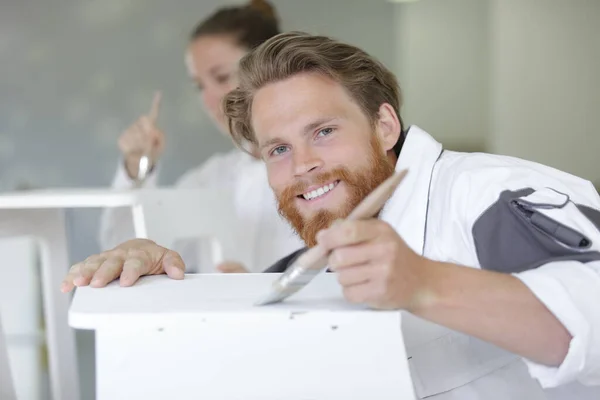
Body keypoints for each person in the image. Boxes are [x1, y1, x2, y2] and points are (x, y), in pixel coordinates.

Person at [64, 32, 600, 398]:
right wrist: (164, 287)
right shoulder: (316, 256)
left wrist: (426, 286)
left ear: (385, 127)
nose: (303, 166)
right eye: (277, 150)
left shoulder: (489, 197)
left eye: (323, 131)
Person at [99, 0, 303, 272]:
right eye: (199, 86)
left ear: (269, 69)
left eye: (221, 78)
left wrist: (255, 289)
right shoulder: (209, 180)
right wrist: (138, 167)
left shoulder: (317, 172)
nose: (209, 100)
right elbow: (123, 251)